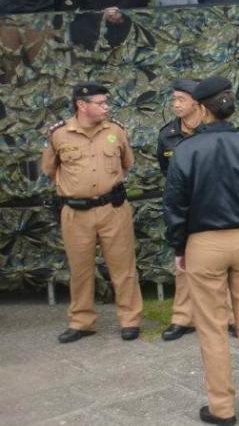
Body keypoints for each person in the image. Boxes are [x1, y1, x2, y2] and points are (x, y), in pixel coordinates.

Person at [164, 76, 239, 425]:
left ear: (201, 108)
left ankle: (221, 408)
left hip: (203, 244)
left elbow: (175, 206)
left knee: (212, 328)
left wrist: (178, 246)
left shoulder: (185, 150)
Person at [40, 82, 143, 343]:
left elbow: (126, 163)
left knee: (124, 268)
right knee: (80, 270)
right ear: (81, 105)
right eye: (100, 103)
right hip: (76, 213)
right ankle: (82, 322)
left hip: (113, 209)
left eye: (106, 102)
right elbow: (50, 170)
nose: (106, 107)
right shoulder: (59, 134)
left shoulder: (116, 131)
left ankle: (130, 320)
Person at [156, 79, 237, 341]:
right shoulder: (167, 134)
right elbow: (166, 172)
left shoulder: (213, 129)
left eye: (181, 99)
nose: (176, 104)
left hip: (215, 203)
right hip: (185, 206)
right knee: (183, 262)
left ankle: (231, 317)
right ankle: (183, 317)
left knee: (225, 262)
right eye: (174, 99)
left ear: (197, 103)